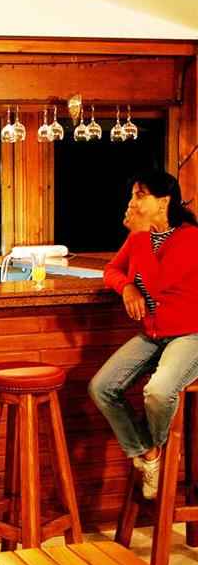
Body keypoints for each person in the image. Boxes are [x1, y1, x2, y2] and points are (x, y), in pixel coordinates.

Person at [89, 170, 198, 499]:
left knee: (158, 393)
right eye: (133, 195)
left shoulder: (190, 238)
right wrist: (126, 288)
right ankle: (148, 453)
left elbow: (160, 285)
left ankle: (159, 449)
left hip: (190, 334)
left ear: (163, 202)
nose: (132, 202)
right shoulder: (140, 237)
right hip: (154, 332)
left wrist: (139, 236)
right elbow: (111, 269)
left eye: (140, 195)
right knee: (102, 387)